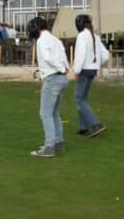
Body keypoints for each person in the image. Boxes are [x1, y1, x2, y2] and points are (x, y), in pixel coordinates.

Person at [27, 17, 69, 157]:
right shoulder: (55, 39)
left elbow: (47, 57)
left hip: (52, 78)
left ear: (37, 28)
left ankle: (49, 146)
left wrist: (60, 68)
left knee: (45, 113)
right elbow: (63, 56)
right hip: (62, 79)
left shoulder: (41, 40)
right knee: (54, 112)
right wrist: (65, 68)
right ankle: (58, 143)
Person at [73, 14, 110, 138]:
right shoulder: (95, 36)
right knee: (83, 99)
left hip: (84, 70)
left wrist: (76, 70)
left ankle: (96, 124)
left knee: (79, 99)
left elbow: (80, 54)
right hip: (93, 70)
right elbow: (106, 55)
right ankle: (83, 128)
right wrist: (96, 63)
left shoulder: (81, 36)